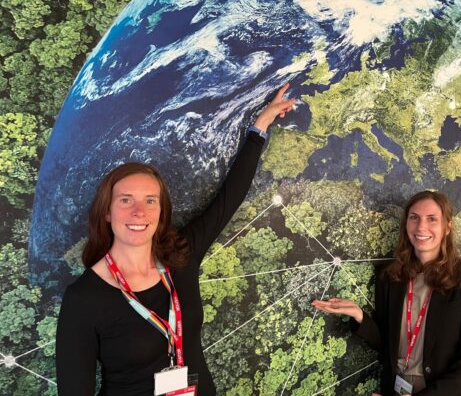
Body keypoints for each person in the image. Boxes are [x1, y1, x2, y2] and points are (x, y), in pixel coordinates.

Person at [55, 85, 295, 396]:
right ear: (107, 213)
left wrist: (259, 127)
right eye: (126, 200)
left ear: (161, 211)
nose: (139, 212)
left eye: (150, 201)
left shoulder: (180, 255)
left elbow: (228, 199)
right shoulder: (84, 298)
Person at [312, 191, 461, 395]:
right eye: (414, 218)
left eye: (432, 219)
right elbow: (389, 347)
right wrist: (359, 316)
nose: (421, 227)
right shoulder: (389, 276)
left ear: (447, 227)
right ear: (406, 224)